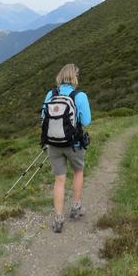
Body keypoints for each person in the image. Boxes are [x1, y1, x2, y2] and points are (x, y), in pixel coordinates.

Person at [41, 63, 91, 233]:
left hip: (53, 144)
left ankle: (58, 218)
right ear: (75, 77)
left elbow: (43, 117)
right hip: (74, 145)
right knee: (78, 172)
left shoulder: (51, 94)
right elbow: (86, 121)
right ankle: (76, 209)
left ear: (60, 76)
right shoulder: (80, 95)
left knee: (59, 180)